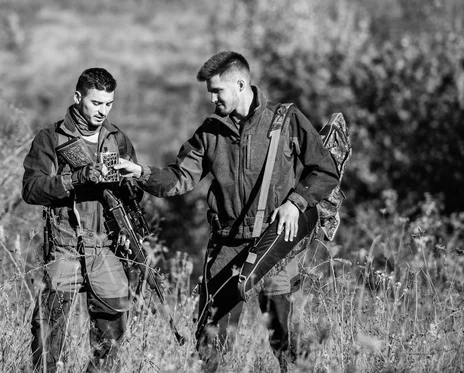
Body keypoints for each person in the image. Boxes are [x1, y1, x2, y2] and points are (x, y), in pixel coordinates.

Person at [114, 51, 339, 372]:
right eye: (209, 91)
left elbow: (325, 172)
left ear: (241, 84)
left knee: (286, 338)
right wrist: (139, 171)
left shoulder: (287, 120)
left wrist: (296, 202)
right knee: (211, 341)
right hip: (226, 246)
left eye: (216, 91)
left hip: (276, 246)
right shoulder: (209, 131)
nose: (211, 98)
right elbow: (179, 178)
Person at [22, 67, 140, 372]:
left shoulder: (117, 140)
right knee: (48, 332)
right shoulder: (50, 138)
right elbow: (32, 189)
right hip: (65, 247)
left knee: (112, 332)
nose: (102, 111)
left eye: (108, 104)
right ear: (78, 98)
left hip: (106, 250)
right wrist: (76, 178)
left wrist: (129, 211)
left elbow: (134, 196)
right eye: (95, 103)